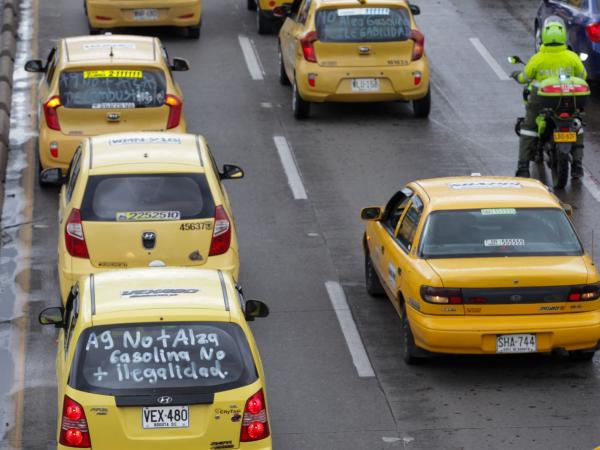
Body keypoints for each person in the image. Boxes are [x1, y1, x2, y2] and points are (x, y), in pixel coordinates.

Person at [511, 16, 587, 179]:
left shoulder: (538, 58)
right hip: (568, 100)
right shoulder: (572, 57)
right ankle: (577, 166)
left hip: (541, 101)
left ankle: (523, 167)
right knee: (577, 125)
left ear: (544, 36)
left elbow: (525, 78)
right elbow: (583, 75)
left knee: (529, 128)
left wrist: (516, 75)